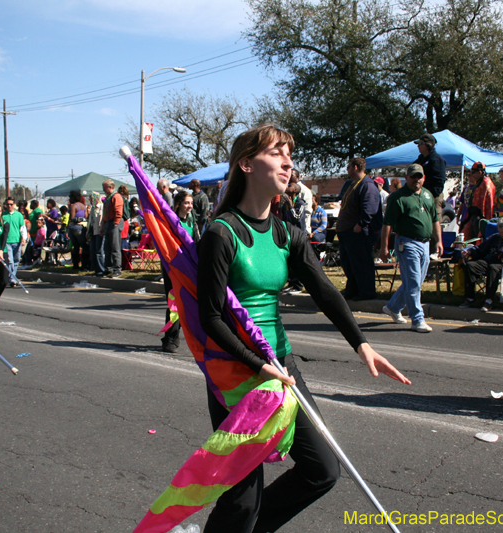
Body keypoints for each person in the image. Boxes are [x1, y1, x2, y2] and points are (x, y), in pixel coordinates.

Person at [198, 124, 410, 532]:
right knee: (242, 498)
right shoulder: (222, 233)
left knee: (322, 470)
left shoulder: (285, 233)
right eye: (276, 152)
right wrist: (257, 367)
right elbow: (211, 319)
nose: (288, 161)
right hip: (237, 372)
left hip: (282, 365)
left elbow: (325, 291)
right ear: (246, 163)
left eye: (289, 154)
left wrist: (361, 345)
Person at [379, 163, 442, 332]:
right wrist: (384, 247)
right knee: (413, 281)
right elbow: (387, 224)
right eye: (413, 176)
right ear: (406, 178)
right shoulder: (398, 197)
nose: (416, 179)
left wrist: (439, 241)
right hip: (407, 243)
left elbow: (435, 220)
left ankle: (393, 307)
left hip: (425, 243)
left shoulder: (428, 195)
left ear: (424, 178)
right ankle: (417, 319)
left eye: (419, 176)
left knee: (415, 282)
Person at [459, 217, 503, 312]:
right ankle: (470, 297)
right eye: (500, 232)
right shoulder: (495, 237)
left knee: (493, 269)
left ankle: (489, 300)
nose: (502, 235)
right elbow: (480, 248)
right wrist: (469, 252)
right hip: (489, 261)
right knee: (470, 265)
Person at [335, 157, 383, 301]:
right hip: (347, 233)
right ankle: (353, 290)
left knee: (361, 263)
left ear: (356, 167)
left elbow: (370, 208)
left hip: (358, 233)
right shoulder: (354, 184)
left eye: (349, 166)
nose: (347, 169)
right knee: (349, 263)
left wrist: (360, 224)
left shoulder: (367, 185)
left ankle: (366, 292)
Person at [161, 190, 201, 353]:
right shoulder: (172, 222)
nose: (189, 206)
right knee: (174, 303)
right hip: (173, 267)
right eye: (186, 203)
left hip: (188, 268)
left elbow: (196, 245)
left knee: (185, 303)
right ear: (178, 204)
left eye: (191, 203)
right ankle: (170, 338)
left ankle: (179, 337)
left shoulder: (192, 223)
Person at [459, 161, 496, 240]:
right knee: (466, 236)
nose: (471, 174)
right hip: (473, 215)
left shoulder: (486, 183)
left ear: (480, 172)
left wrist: (485, 219)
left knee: (478, 239)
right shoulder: (478, 182)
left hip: (480, 217)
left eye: (473, 172)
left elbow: (488, 203)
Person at [413, 133, 447, 214]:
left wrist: (430, 196)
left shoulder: (437, 160)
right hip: (420, 195)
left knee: (433, 221)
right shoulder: (420, 159)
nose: (418, 146)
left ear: (428, 145)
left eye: (421, 144)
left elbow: (439, 181)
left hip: (432, 197)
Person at [101, 179, 124, 279]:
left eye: (105, 187)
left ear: (110, 187)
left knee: (115, 247)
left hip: (115, 223)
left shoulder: (116, 196)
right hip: (108, 223)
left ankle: (117, 269)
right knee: (107, 247)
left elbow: (118, 210)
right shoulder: (107, 198)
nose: (103, 190)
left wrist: (116, 222)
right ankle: (108, 268)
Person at [1, 197, 24, 287]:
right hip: (7, 241)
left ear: (14, 205)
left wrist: (23, 238)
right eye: (8, 204)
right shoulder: (3, 215)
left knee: (16, 260)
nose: (9, 206)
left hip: (17, 241)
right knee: (10, 260)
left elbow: (22, 228)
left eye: (11, 204)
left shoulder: (19, 215)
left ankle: (12, 277)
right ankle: (12, 278)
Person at [67, 190, 88, 270]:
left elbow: (72, 218)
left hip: (74, 227)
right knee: (84, 246)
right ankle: (84, 265)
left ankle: (75, 265)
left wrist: (67, 229)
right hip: (82, 227)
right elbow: (86, 216)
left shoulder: (73, 206)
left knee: (76, 247)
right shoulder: (83, 206)